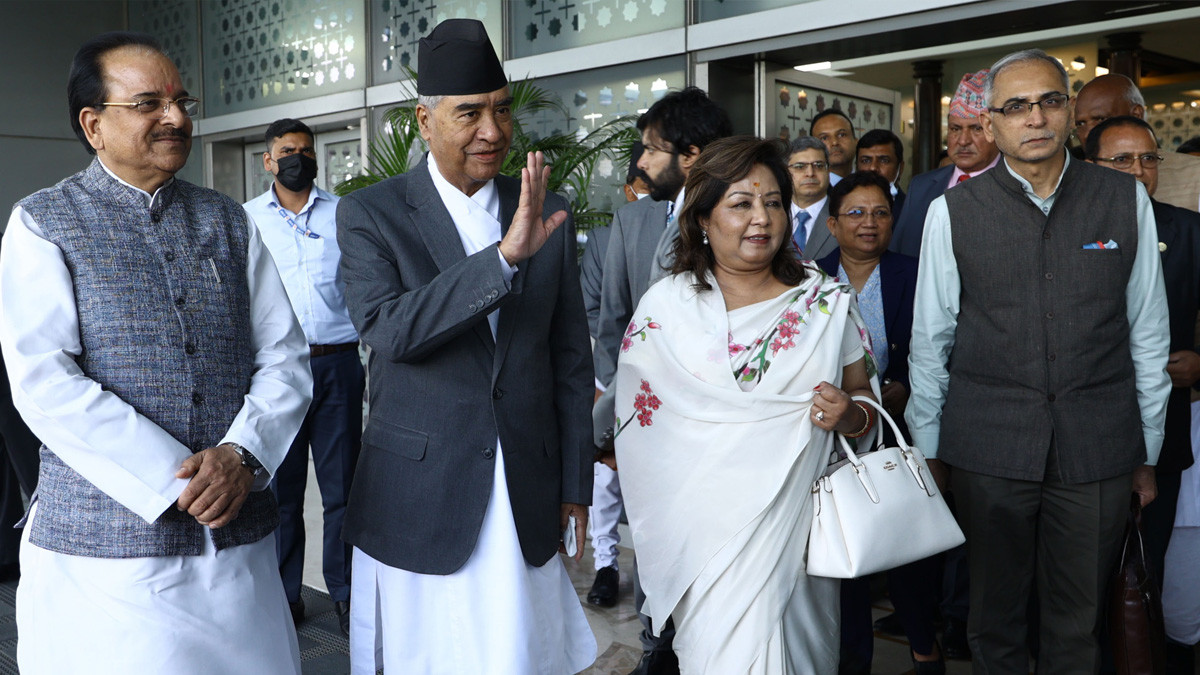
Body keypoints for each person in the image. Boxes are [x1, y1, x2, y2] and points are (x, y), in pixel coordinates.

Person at [0, 31, 312, 674]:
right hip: (108, 563)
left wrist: (241, 457)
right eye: (148, 103)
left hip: (237, 550)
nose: (175, 117)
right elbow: (42, 378)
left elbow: (285, 355)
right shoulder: (43, 221)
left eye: (180, 100)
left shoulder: (228, 220)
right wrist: (176, 476)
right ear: (94, 125)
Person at [334, 19, 596, 674]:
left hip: (524, 484)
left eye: (502, 111)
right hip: (422, 488)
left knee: (521, 650)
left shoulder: (545, 205)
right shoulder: (373, 213)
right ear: (424, 122)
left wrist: (575, 482)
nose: (493, 131)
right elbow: (389, 330)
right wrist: (504, 259)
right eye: (469, 113)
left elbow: (569, 357)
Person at [906, 49, 1170, 672]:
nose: (1035, 118)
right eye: (1016, 107)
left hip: (1098, 448)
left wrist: (1147, 451)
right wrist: (932, 449)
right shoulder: (953, 212)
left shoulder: (1122, 200)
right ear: (991, 123)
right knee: (993, 622)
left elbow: (1148, 334)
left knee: (1076, 626)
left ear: (1071, 112)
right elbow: (931, 338)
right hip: (988, 448)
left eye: (1050, 101)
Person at [614, 135, 879, 673]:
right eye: (740, 204)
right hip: (704, 542)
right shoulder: (666, 307)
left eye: (773, 202)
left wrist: (850, 415)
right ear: (703, 220)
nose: (761, 218)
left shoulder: (823, 301)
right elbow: (639, 432)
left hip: (796, 537)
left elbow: (866, 403)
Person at [592, 86, 732, 675]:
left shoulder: (737, 216)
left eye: (652, 150)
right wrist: (616, 423)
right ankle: (658, 648)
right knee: (654, 550)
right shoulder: (634, 222)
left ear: (691, 155)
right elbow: (615, 326)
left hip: (717, 433)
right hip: (648, 426)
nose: (641, 162)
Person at [1085, 115, 1200, 670]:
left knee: (1141, 569)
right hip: (1080, 438)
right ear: (1091, 167)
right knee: (1080, 580)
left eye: (1149, 158)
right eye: (1122, 159)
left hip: (1162, 436)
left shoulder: (1187, 230)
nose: (1138, 170)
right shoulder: (1065, 227)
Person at [243, 117, 363, 636]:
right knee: (282, 493)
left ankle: (345, 595)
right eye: (288, 151)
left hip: (338, 363)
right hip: (277, 372)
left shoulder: (344, 214)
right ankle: (285, 596)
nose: (299, 158)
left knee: (342, 491)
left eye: (306, 151)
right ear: (268, 161)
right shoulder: (245, 221)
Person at [814, 172, 936, 674]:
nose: (870, 223)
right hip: (831, 442)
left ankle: (926, 651)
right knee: (847, 558)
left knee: (910, 550)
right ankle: (854, 661)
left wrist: (903, 386)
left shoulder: (917, 272)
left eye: (881, 212)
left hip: (901, 434)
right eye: (856, 213)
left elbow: (937, 345)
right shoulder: (808, 279)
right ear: (832, 223)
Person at [581, 140, 646, 610]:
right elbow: (596, 308)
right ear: (628, 191)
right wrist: (610, 380)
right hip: (614, 375)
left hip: (671, 384)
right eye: (640, 188)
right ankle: (606, 563)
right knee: (606, 478)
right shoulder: (607, 238)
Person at [891, 69, 999, 259]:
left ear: (995, 131)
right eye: (955, 129)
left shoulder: (1015, 184)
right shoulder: (921, 186)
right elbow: (897, 256)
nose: (963, 140)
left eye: (976, 129)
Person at [1075, 73, 1200, 213]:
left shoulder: (1195, 176)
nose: (1087, 134)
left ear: (1136, 114)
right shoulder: (1069, 185)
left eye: (1100, 119)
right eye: (1080, 123)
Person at [787, 135, 837, 261]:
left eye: (818, 165)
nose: (810, 173)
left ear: (828, 170)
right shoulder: (773, 215)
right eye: (799, 167)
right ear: (785, 172)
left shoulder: (841, 216)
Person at [854, 129, 906, 218]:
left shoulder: (912, 209)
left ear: (900, 168)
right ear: (856, 167)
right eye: (866, 161)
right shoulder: (844, 205)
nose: (873, 168)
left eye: (884, 160)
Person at [810, 108, 856, 180]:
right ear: (812, 148)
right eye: (824, 138)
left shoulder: (870, 184)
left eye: (842, 135)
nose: (834, 142)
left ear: (856, 141)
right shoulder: (808, 189)